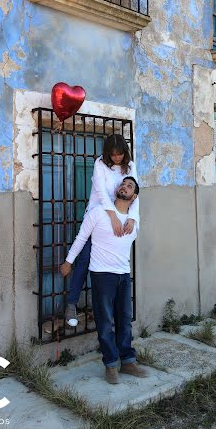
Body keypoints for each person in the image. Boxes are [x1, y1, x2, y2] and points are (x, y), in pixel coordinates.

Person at [60, 177, 147, 384]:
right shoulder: (98, 212)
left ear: (134, 197)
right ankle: (110, 364)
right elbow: (81, 238)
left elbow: (134, 216)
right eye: (123, 184)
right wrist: (68, 261)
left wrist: (133, 217)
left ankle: (128, 361)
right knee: (105, 322)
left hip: (123, 275)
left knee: (125, 320)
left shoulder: (133, 222)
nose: (124, 187)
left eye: (130, 186)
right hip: (101, 274)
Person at [65, 134, 140, 326]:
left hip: (121, 218)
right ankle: (71, 304)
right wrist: (112, 216)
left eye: (120, 154)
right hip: (99, 216)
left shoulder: (130, 166)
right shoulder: (100, 164)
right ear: (108, 153)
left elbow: (136, 193)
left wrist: (132, 217)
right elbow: (101, 192)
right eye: (113, 154)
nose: (117, 158)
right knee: (85, 259)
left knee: (116, 266)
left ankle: (111, 311)